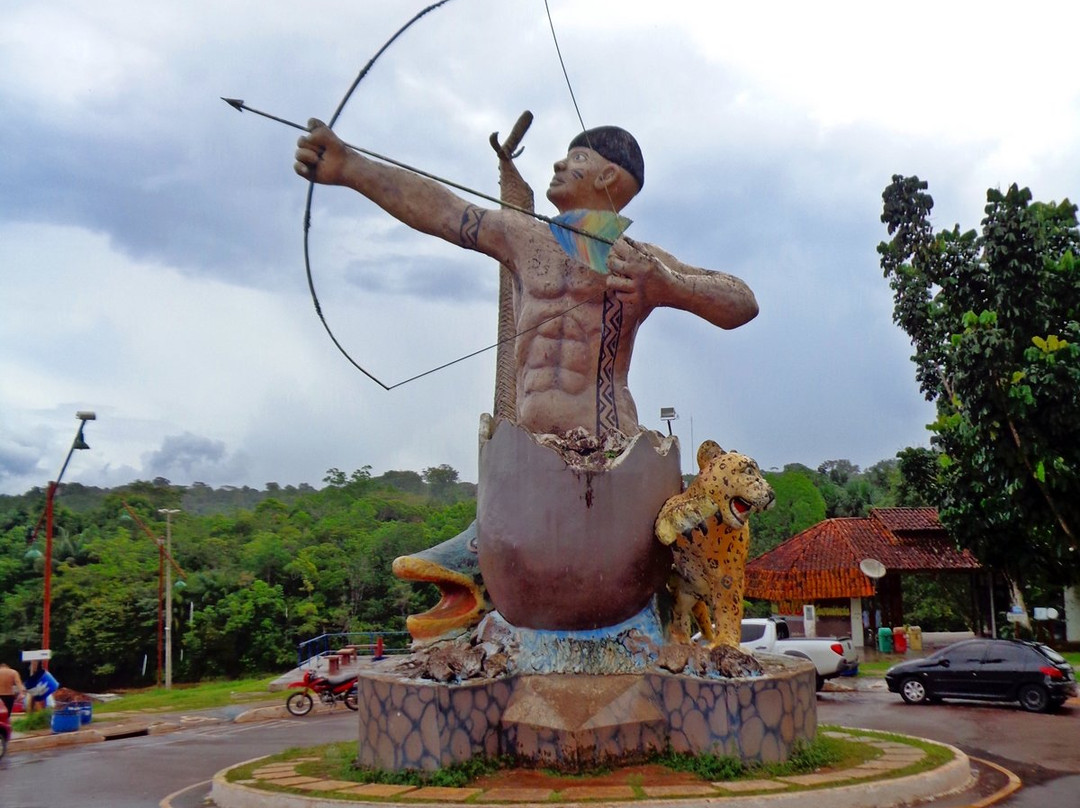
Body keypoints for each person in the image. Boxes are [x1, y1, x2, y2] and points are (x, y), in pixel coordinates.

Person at [295, 122, 758, 437]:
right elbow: (444, 210)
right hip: (529, 446)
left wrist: (668, 285)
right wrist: (350, 167)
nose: (558, 165)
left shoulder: (638, 261)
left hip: (608, 444)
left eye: (576, 157)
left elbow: (742, 302)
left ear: (608, 176)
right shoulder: (523, 237)